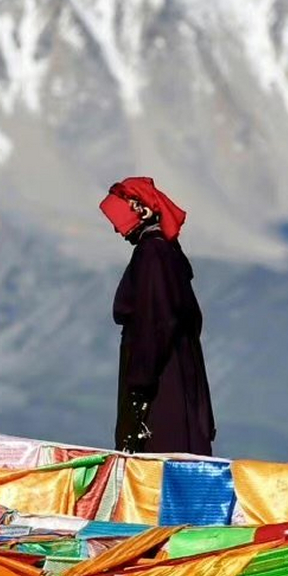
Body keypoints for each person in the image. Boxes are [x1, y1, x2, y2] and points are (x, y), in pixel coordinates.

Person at [101, 176, 215, 456]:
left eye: (118, 219)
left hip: (160, 390)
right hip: (172, 380)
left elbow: (154, 325)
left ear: (140, 209)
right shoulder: (167, 253)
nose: (117, 230)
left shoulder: (152, 254)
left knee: (156, 471)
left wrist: (139, 393)